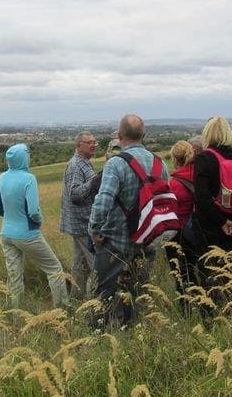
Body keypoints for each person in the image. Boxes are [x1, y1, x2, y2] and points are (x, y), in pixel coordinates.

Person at [89, 114, 168, 326]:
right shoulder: (160, 164)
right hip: (148, 240)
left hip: (116, 241)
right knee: (136, 290)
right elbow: (164, 203)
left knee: (103, 292)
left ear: (119, 134)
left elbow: (103, 201)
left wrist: (95, 230)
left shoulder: (115, 164)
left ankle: (99, 335)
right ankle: (131, 329)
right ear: (143, 135)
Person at [0, 143, 69, 309]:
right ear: (24, 158)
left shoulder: (2, 177)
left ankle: (15, 311)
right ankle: (63, 310)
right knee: (54, 269)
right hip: (27, 234)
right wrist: (38, 221)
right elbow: (33, 210)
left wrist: (10, 219)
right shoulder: (29, 179)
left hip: (5, 234)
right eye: (27, 154)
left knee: (14, 275)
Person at [192, 117, 232, 287]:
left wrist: (222, 222)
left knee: (212, 274)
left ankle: (214, 312)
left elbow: (201, 196)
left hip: (210, 227)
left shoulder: (204, 158)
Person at [59, 132, 102, 301]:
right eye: (89, 142)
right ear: (78, 146)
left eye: (94, 142)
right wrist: (94, 182)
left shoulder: (84, 163)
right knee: (96, 264)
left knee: (79, 264)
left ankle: (77, 299)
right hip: (82, 224)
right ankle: (98, 301)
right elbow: (75, 194)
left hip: (80, 224)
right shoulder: (76, 165)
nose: (93, 145)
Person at [166, 140, 197, 291]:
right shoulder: (201, 175)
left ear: (176, 159)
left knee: (181, 273)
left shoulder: (174, 184)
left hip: (179, 233)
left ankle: (186, 306)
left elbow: (168, 211)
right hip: (199, 231)